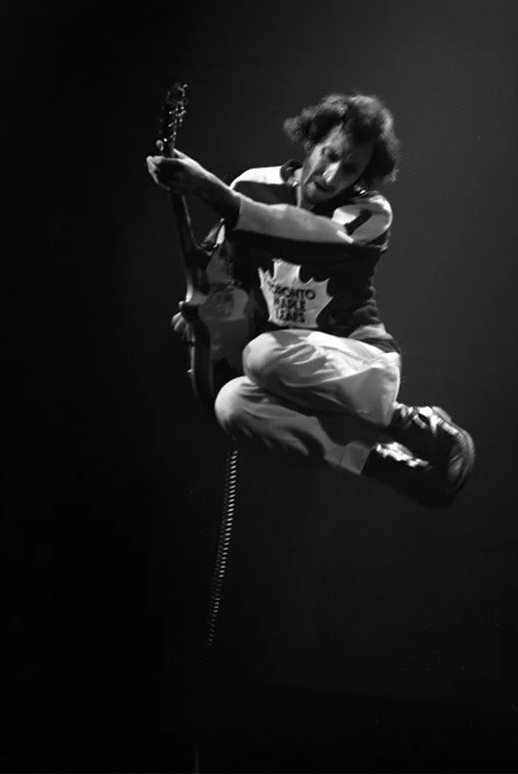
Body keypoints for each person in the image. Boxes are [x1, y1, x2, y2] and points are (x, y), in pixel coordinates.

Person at [146, 92, 475, 508]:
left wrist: (207, 187)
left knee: (262, 354)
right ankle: (388, 465)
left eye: (351, 168)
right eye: (329, 154)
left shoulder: (369, 213)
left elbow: (300, 232)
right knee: (232, 405)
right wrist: (204, 313)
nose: (333, 174)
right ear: (311, 141)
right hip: (289, 376)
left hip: (362, 366)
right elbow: (224, 276)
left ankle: (417, 425)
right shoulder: (252, 186)